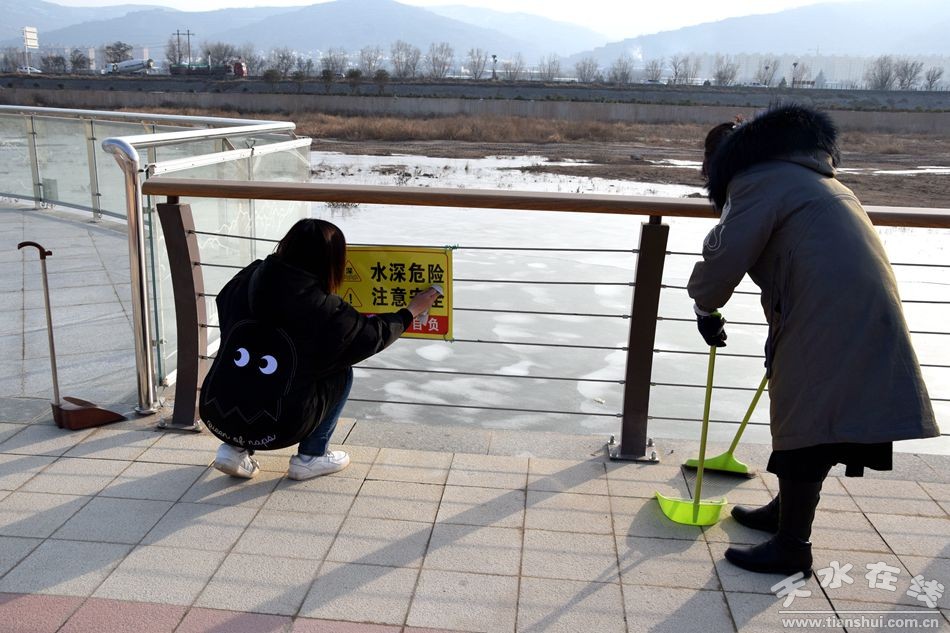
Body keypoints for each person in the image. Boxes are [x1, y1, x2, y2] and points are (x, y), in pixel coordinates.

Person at [687, 104, 939, 576]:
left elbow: (727, 253)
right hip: (853, 306)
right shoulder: (807, 174)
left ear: (724, 165)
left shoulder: (758, 180)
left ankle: (792, 546)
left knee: (807, 420)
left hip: (828, 312)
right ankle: (785, 513)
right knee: (812, 412)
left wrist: (704, 306)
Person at [200, 218, 441, 481]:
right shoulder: (325, 309)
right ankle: (311, 457)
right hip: (280, 426)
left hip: (217, 412)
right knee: (340, 370)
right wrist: (410, 311)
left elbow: (225, 305)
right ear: (332, 261)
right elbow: (370, 336)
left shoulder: (249, 276)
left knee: (250, 350)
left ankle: (234, 449)